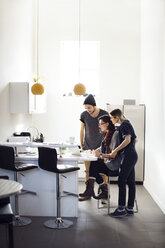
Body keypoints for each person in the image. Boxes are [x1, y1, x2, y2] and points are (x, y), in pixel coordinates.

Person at [79, 115, 121, 201]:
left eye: (101, 124)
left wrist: (100, 155)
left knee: (94, 166)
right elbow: (103, 147)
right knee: (94, 167)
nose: (99, 126)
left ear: (107, 124)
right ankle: (100, 191)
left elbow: (112, 154)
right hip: (108, 162)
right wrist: (95, 151)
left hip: (114, 165)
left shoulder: (114, 134)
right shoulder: (107, 134)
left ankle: (95, 190)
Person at [109, 109, 138, 218]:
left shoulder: (123, 125)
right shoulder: (128, 123)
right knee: (130, 182)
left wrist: (116, 150)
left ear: (116, 117)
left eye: (111, 118)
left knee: (121, 181)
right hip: (132, 155)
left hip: (128, 156)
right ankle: (129, 208)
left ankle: (121, 209)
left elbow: (128, 140)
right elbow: (135, 140)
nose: (111, 120)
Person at [79, 94, 108, 201]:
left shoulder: (104, 114)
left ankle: (103, 194)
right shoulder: (84, 115)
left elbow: (108, 130)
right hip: (88, 147)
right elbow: (82, 130)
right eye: (86, 108)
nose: (87, 110)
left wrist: (106, 146)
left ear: (94, 105)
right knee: (88, 171)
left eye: (89, 108)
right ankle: (88, 193)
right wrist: (81, 145)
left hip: (101, 148)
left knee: (101, 172)